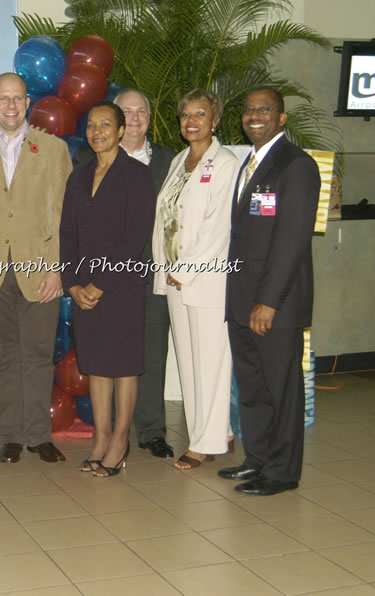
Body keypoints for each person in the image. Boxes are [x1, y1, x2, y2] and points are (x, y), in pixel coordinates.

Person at [0, 72, 71, 464]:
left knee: (37, 355)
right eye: (3, 98)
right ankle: (12, 436)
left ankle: (40, 435)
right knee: (3, 357)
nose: (10, 105)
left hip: (40, 270)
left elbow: (63, 216)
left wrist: (57, 269)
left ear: (27, 103)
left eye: (17, 98)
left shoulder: (53, 149)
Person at [219, 87, 320, 496]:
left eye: (265, 109)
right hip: (242, 300)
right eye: (249, 109)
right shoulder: (250, 163)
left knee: (281, 389)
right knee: (254, 387)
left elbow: (291, 241)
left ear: (282, 118)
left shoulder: (296, 166)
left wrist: (268, 302)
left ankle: (282, 472)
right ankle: (257, 459)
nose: (254, 115)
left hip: (274, 305)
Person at [75, 89, 177, 459]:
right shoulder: (85, 162)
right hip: (97, 278)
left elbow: (155, 225)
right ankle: (107, 435)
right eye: (126, 111)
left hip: (146, 275)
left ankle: (148, 432)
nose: (133, 118)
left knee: (145, 355)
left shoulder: (168, 161)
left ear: (148, 118)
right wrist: (79, 280)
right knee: (102, 358)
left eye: (140, 112)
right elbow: (74, 225)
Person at [60, 101, 155, 476]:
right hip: (83, 288)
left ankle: (119, 440)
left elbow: (135, 238)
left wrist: (100, 283)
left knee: (123, 366)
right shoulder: (78, 177)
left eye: (106, 125)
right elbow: (68, 234)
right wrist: (73, 283)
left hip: (122, 287)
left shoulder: (137, 176)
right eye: (92, 126)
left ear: (121, 131)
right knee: (97, 365)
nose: (97, 132)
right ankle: (99, 439)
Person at [151, 89, 240, 469]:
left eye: (200, 114)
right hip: (173, 278)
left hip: (206, 279)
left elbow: (218, 227)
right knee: (188, 361)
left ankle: (205, 442)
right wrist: (166, 271)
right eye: (186, 114)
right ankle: (220, 431)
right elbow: (164, 220)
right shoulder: (178, 161)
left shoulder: (226, 163)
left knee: (212, 362)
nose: (191, 121)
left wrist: (186, 269)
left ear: (215, 120)